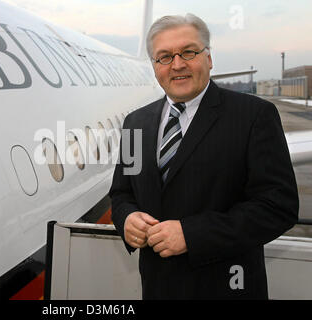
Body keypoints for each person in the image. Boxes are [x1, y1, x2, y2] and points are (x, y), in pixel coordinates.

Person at [108, 13, 298, 299]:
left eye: (188, 52)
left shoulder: (254, 116)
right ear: (155, 67)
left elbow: (278, 206)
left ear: (209, 58)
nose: (178, 64)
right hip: (158, 289)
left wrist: (193, 235)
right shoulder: (135, 122)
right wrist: (127, 219)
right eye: (164, 57)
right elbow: (122, 193)